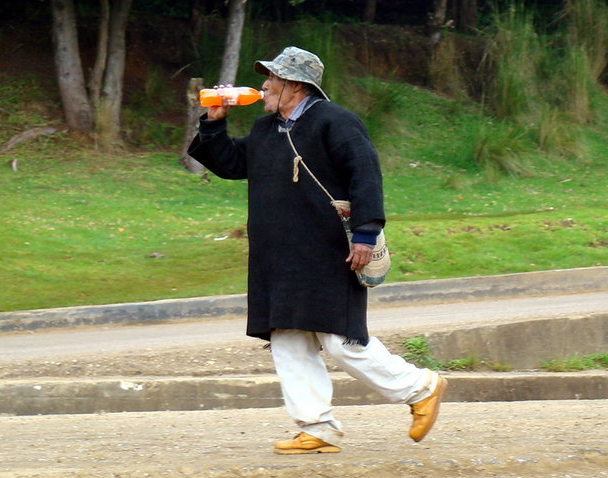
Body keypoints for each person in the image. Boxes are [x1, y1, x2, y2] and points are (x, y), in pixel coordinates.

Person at [188, 46, 447, 454]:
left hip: (329, 250)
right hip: (279, 257)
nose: (265, 85)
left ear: (294, 85)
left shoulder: (335, 122)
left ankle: (421, 387)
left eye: (271, 79)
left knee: (340, 339)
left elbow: (365, 176)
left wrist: (364, 234)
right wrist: (215, 124)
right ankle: (317, 427)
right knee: (288, 338)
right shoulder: (265, 128)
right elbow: (234, 165)